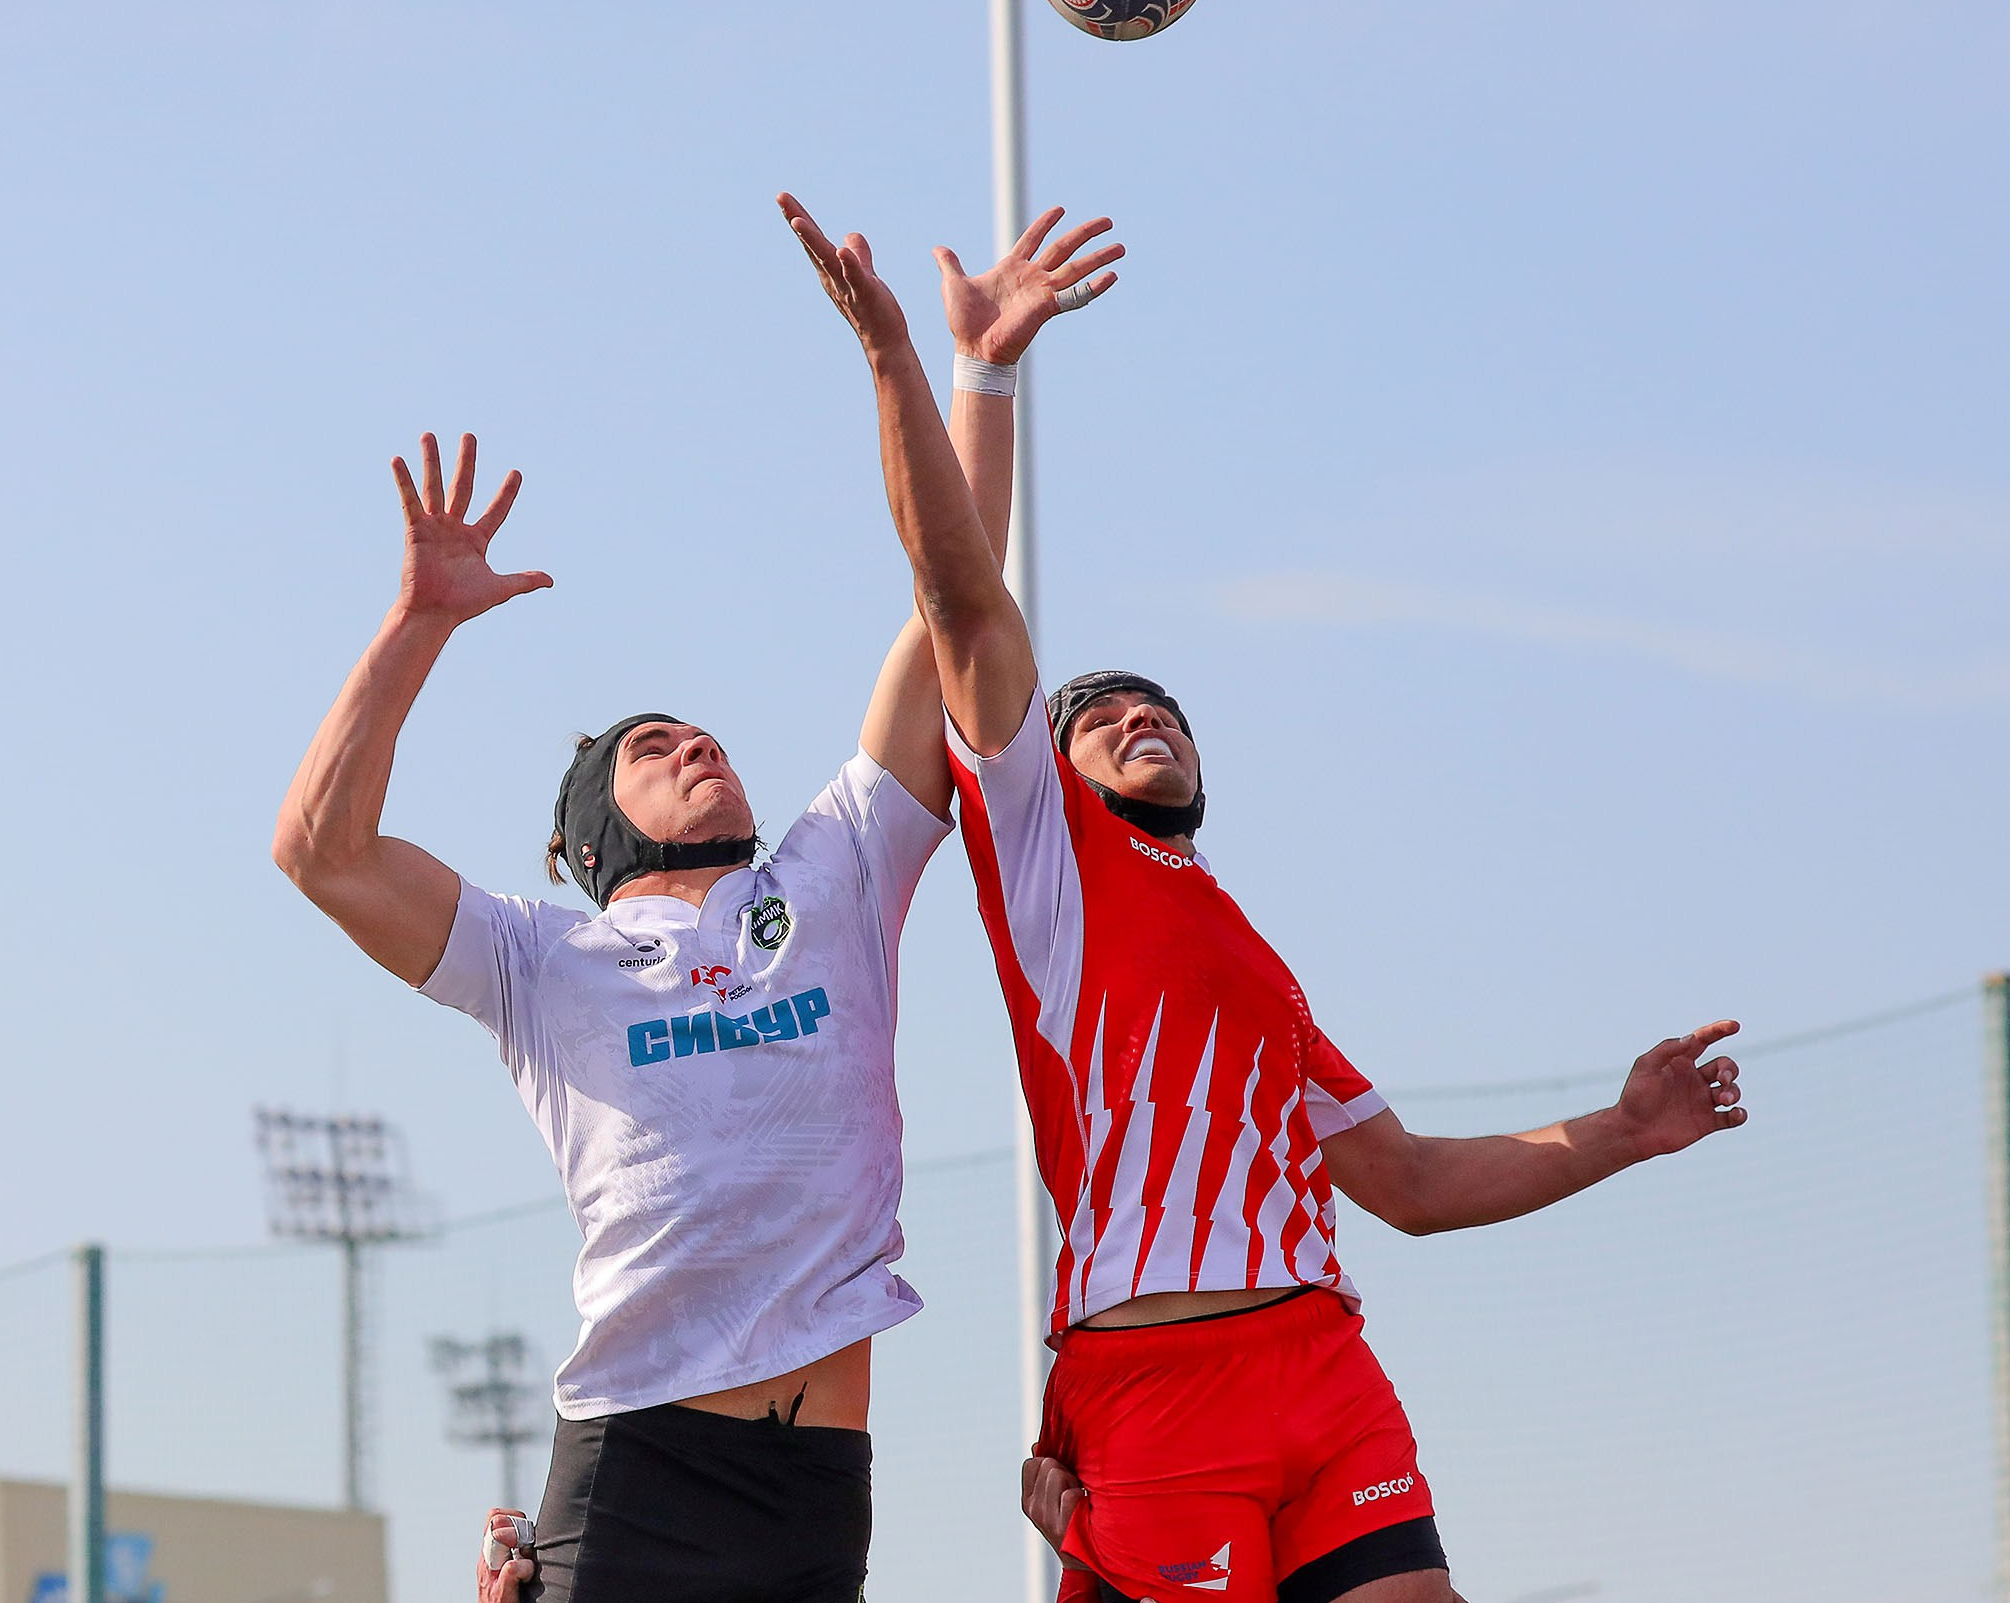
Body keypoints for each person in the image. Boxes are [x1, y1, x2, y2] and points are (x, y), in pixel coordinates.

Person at [780, 202, 1750, 1603]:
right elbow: (965, 601)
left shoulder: (1256, 962)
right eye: (1099, 715)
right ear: (1041, 771)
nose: (1134, 718)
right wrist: (961, 374)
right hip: (1156, 1380)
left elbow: (1407, 1185)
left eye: (1157, 708)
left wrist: (1625, 1129)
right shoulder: (1049, 863)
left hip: (1320, 1363)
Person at [273, 205, 1123, 1603]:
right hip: (635, 1468)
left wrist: (974, 376)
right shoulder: (542, 957)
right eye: (653, 750)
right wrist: (416, 624)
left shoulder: (835, 866)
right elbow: (324, 851)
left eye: (704, 733)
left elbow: (953, 605)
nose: (697, 746)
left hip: (814, 1490)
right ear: (602, 834)